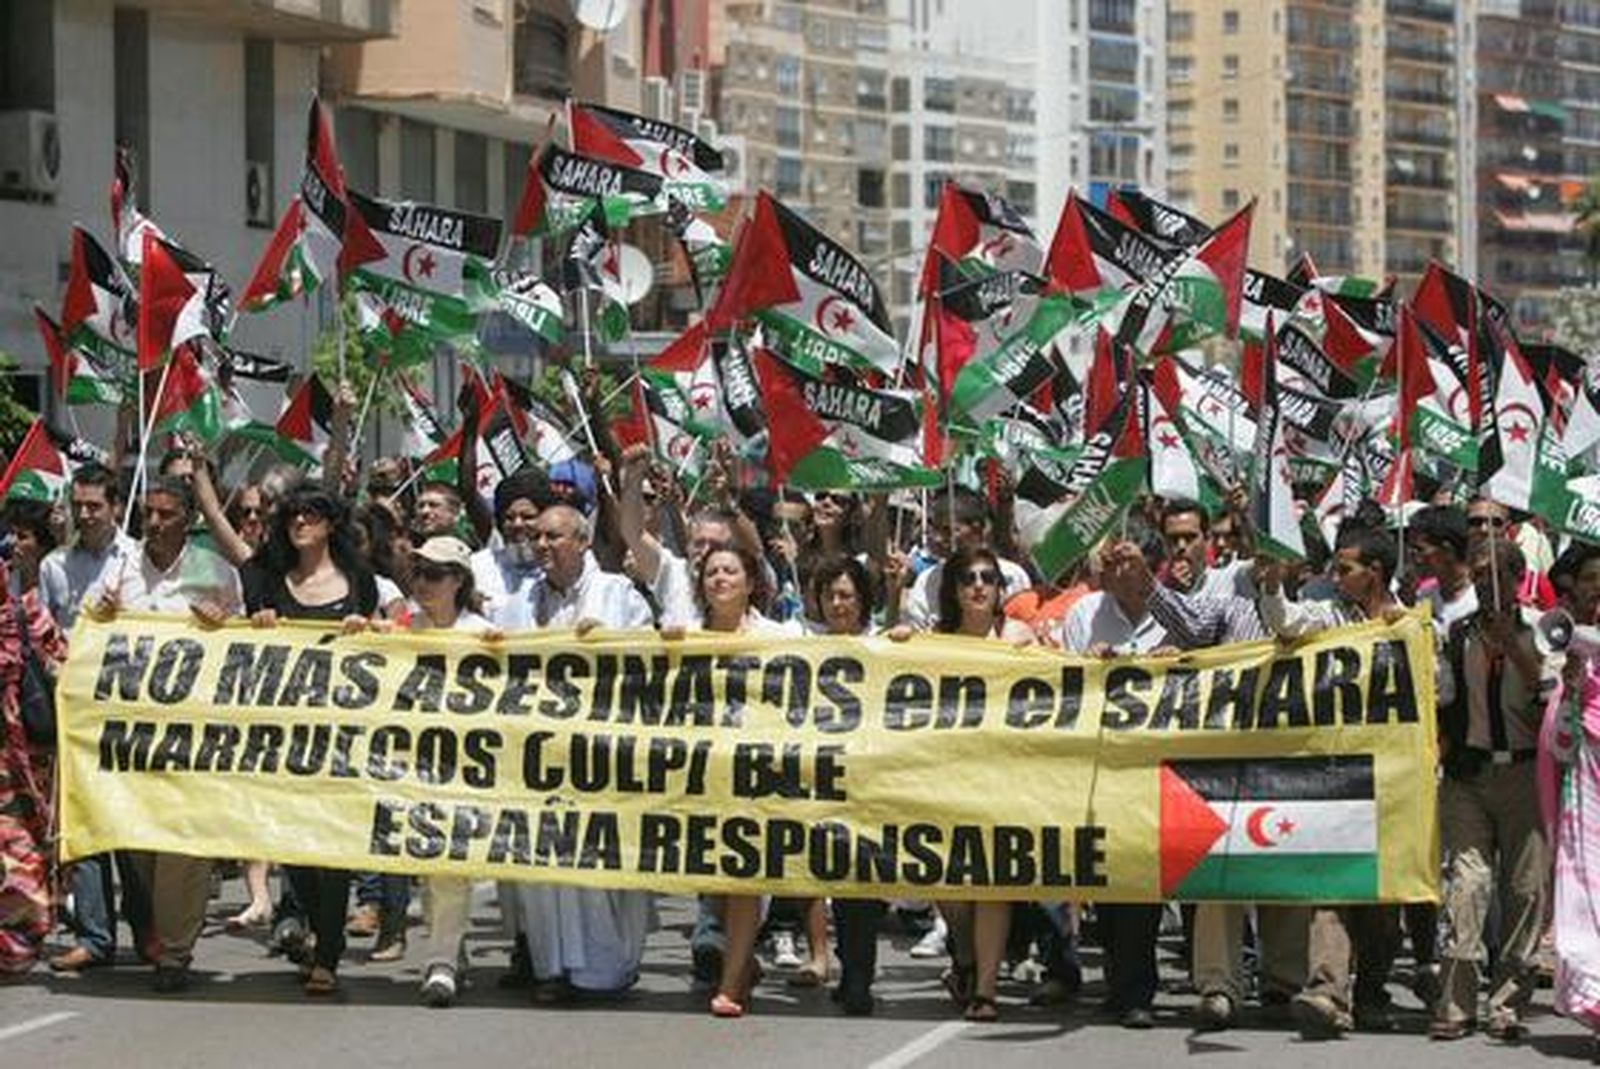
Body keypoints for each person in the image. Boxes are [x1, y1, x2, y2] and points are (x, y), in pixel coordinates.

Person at [1255, 522, 1415, 1038]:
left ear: (1375, 573)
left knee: (1384, 899)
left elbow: (1446, 691)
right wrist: (1274, 583)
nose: (1334, 575)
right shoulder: (1327, 614)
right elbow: (1286, 622)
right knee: (1332, 883)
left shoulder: (1411, 620)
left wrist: (1406, 636)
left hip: (1396, 781)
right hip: (1338, 775)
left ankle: (1369, 992)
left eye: (1344, 569)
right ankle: (1326, 991)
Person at [82, 475, 241, 992]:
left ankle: (176, 952)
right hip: (129, 736)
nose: (152, 523)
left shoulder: (212, 571)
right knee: (139, 845)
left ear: (189, 519)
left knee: (183, 846)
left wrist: (223, 620)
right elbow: (84, 632)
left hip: (189, 735)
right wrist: (99, 615)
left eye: (166, 514)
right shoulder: (121, 570)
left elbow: (245, 643)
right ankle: (157, 926)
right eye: (148, 513)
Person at [499, 504, 656, 1002]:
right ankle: (552, 970)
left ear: (583, 541)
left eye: (554, 537)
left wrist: (609, 645)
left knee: (599, 865)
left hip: (602, 758)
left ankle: (607, 970)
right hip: (538, 760)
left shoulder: (618, 595)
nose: (542, 545)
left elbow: (650, 661)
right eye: (538, 538)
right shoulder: (518, 603)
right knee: (543, 866)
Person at [241, 483, 377, 995]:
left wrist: (368, 629)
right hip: (285, 738)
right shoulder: (268, 579)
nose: (301, 522)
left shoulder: (359, 580)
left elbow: (388, 642)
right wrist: (259, 623)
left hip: (341, 736)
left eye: (314, 514)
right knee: (295, 844)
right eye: (294, 514)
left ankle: (328, 953)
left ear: (333, 523)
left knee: (335, 848)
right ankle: (309, 926)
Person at [667, 544, 803, 1017]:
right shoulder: (683, 636)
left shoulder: (781, 636)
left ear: (751, 581)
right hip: (701, 774)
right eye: (711, 572)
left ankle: (731, 982)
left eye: (730, 571)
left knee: (745, 873)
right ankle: (741, 962)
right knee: (716, 879)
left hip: (758, 773)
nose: (719, 578)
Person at [1431, 539, 1556, 1040]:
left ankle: (1507, 1005)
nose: (1485, 584)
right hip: (1470, 776)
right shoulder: (1458, 633)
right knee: (1467, 886)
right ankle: (1457, 1004)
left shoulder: (1543, 632)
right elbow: (1442, 695)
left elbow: (1551, 701)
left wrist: (1515, 650)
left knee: (1524, 890)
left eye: (1494, 575)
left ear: (1517, 577)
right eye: (1478, 575)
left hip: (1525, 775)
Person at [906, 546, 1033, 1023]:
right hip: (950, 777)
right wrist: (896, 641)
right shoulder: (935, 641)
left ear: (1000, 588)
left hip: (1004, 776)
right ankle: (963, 953)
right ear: (953, 591)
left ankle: (985, 989)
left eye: (988, 578)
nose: (978, 586)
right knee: (950, 882)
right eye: (968, 579)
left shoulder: (1018, 635)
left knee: (993, 883)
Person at [41, 464, 146, 974]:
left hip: (127, 707)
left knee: (128, 822)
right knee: (82, 824)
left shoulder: (137, 560)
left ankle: (147, 928)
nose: (85, 514)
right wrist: (54, 663)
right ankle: (94, 935)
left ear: (114, 505)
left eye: (95, 506)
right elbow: (44, 630)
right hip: (76, 709)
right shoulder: (54, 566)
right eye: (78, 505)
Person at [401, 536, 498, 1008]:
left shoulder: (483, 634)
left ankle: (440, 961)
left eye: (435, 575)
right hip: (409, 763)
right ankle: (447, 944)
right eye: (418, 573)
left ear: (458, 581)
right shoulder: (403, 626)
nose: (423, 583)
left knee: (450, 864)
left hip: (465, 765)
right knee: (428, 866)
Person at [1542, 541, 1600, 1056]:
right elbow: (1560, 745)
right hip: (1587, 794)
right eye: (1590, 587)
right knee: (1586, 900)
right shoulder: (1577, 656)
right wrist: (1573, 691)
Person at [0, 560, 66, 972]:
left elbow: (65, 665)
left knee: (20, 849)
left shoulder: (29, 615)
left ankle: (18, 939)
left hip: (22, 759)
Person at [3, 501, 57, 597]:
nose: (12, 541)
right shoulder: (6, 577)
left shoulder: (55, 584)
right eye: (12, 533)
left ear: (43, 546)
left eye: (22, 537)